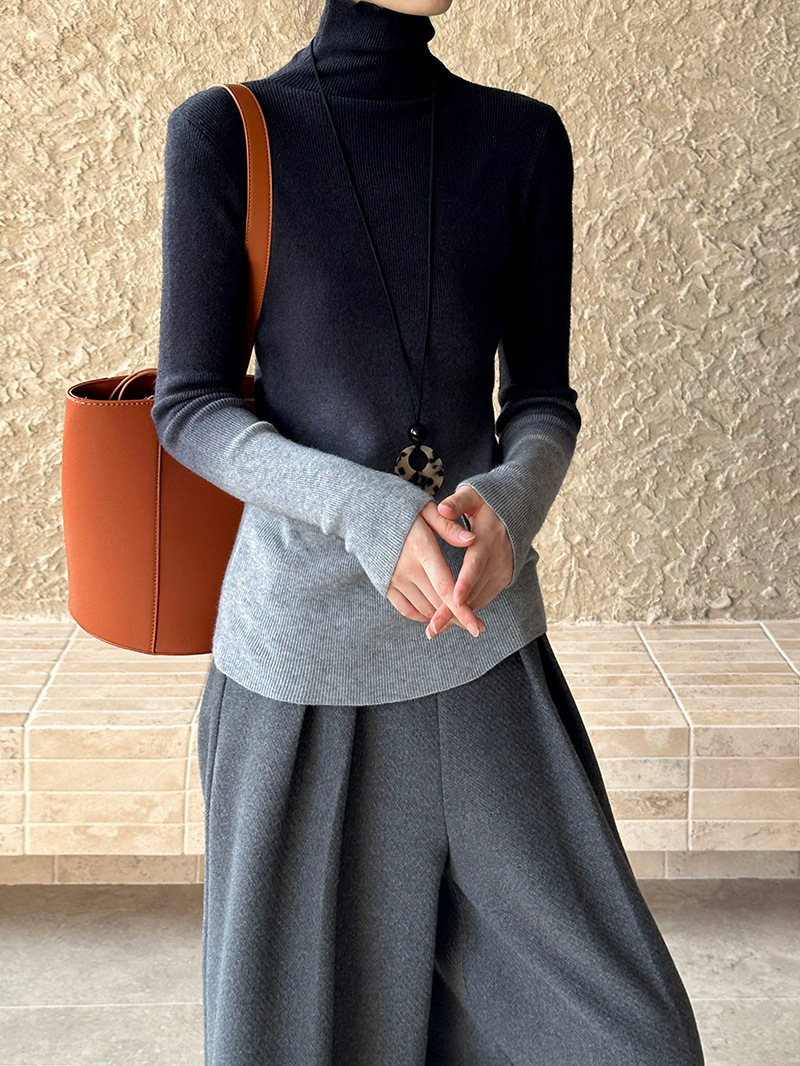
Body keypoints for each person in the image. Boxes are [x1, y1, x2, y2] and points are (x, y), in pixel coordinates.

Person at [153, 0, 706, 1062]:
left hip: (479, 649)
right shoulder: (227, 133)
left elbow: (540, 399)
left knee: (629, 1038)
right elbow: (190, 406)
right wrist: (365, 506)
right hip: (297, 672)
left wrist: (512, 504)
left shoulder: (520, 138)